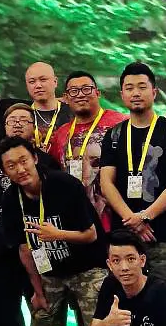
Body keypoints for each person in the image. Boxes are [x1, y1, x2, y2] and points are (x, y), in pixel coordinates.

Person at [0, 137, 107, 326]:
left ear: (35, 158)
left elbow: (91, 234)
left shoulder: (64, 185)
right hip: (51, 271)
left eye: (23, 160)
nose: (20, 169)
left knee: (99, 322)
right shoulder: (11, 200)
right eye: (11, 165)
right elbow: (24, 250)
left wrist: (57, 234)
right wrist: (37, 291)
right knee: (40, 319)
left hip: (87, 265)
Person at [99, 62, 166, 312]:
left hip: (165, 237)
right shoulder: (114, 135)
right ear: (122, 94)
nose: (136, 93)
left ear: (154, 91)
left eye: (142, 87)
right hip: (125, 238)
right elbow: (106, 183)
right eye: (129, 88)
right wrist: (132, 220)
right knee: (126, 304)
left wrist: (145, 216)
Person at [47, 71, 128, 227]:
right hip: (77, 224)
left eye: (86, 89)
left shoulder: (121, 123)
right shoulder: (61, 134)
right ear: (66, 98)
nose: (80, 94)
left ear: (97, 93)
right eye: (74, 91)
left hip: (120, 221)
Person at [23, 62, 73, 151]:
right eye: (32, 82)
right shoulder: (21, 115)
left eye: (43, 80)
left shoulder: (73, 112)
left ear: (55, 82)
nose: (38, 85)